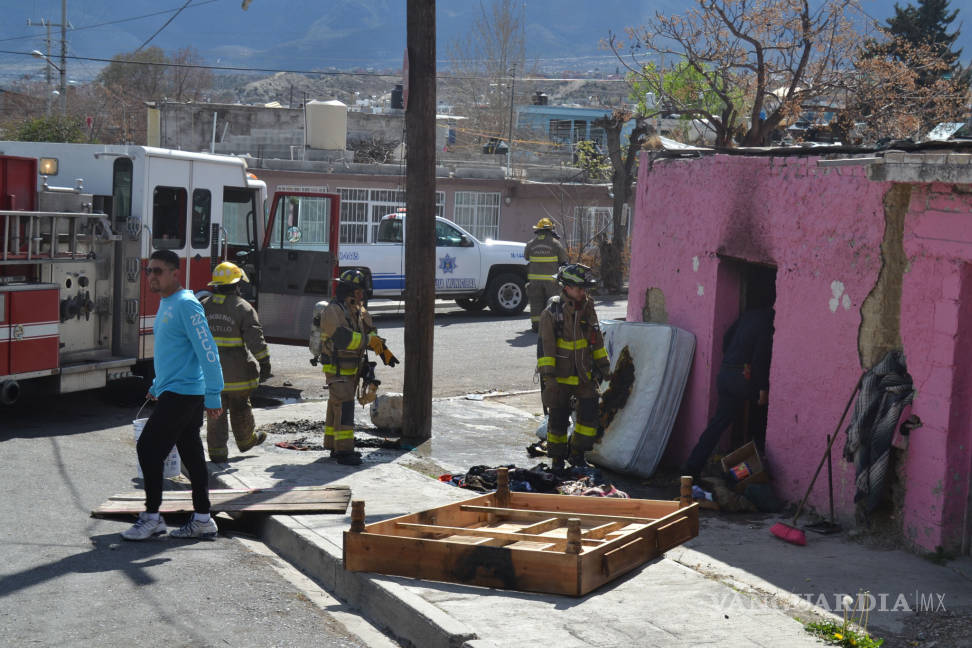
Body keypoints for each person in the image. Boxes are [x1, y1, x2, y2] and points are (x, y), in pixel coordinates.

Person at [122, 250, 225, 541]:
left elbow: (208, 352)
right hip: (175, 390)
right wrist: (157, 385)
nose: (152, 276)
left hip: (185, 394)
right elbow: (174, 354)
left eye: (158, 271)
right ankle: (203, 519)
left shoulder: (186, 305)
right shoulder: (168, 303)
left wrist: (214, 395)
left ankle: (153, 518)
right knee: (191, 455)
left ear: (175, 273)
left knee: (148, 450)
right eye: (149, 271)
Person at [682, 300, 776, 479]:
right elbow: (760, 359)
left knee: (718, 423)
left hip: (725, 372)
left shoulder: (750, 314)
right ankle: (751, 468)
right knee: (761, 418)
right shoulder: (769, 322)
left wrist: (734, 361)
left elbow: (726, 339)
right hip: (743, 377)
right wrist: (763, 389)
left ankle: (691, 469)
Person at [319, 268, 398, 466]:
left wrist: (383, 351)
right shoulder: (332, 311)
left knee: (336, 405)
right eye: (359, 291)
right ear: (350, 290)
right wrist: (368, 340)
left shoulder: (359, 311)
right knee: (344, 406)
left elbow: (371, 334)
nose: (362, 295)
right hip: (337, 369)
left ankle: (333, 445)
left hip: (352, 369)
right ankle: (345, 452)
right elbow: (342, 339)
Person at [537, 263, 612, 470]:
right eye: (579, 288)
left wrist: (604, 366)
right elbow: (546, 350)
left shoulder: (588, 308)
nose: (583, 292)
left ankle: (578, 455)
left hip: (584, 376)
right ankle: (557, 460)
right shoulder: (551, 313)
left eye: (585, 288)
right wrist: (549, 379)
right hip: (559, 378)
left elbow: (596, 341)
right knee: (558, 422)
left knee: (589, 418)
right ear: (566, 287)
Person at [201, 261, 271, 463]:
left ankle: (217, 452)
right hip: (238, 373)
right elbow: (255, 339)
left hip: (211, 374)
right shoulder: (243, 308)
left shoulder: (204, 306)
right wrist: (264, 362)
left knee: (215, 412)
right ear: (236, 284)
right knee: (241, 407)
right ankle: (246, 440)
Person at [524, 217, 568, 332]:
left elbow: (526, 257)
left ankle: (536, 326)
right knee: (552, 303)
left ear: (538, 230)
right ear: (551, 230)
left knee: (536, 303)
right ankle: (550, 326)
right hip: (551, 281)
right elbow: (563, 260)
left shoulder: (530, 244)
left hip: (534, 281)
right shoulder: (555, 243)